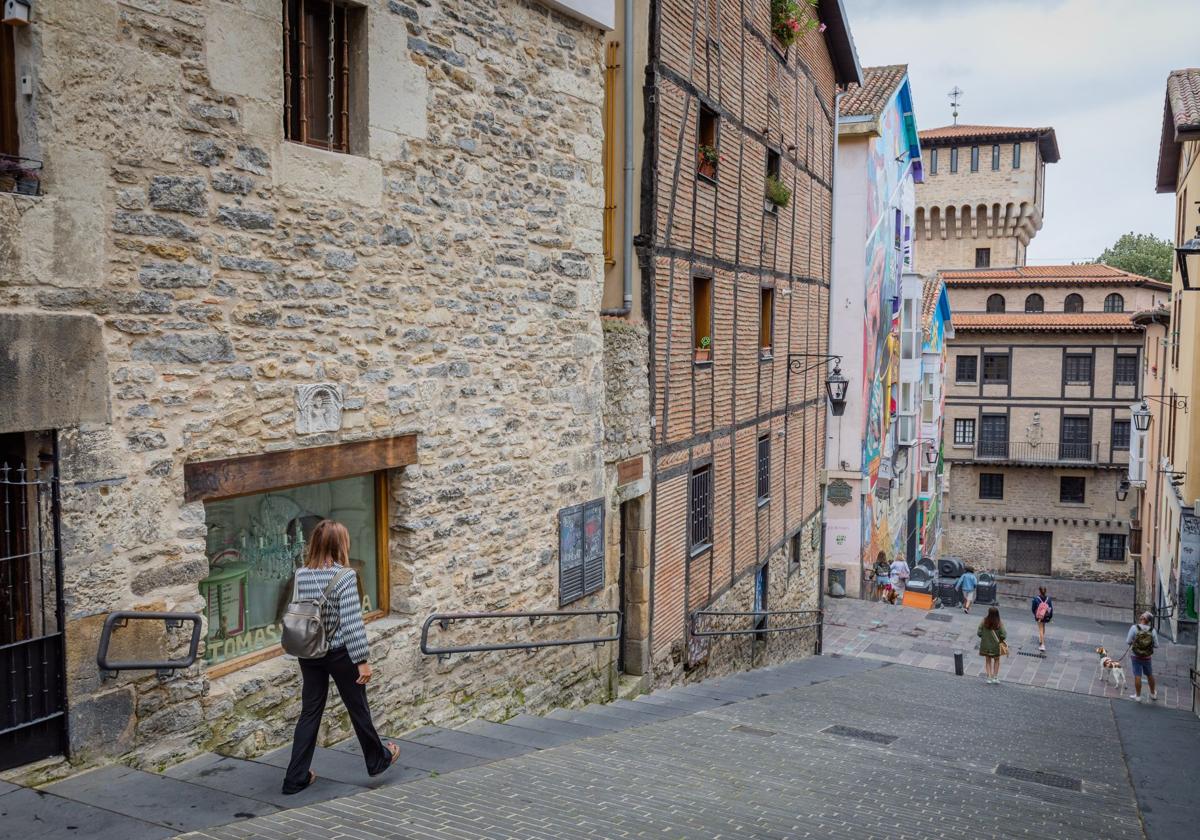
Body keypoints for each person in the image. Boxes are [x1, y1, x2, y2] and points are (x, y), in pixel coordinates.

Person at [282, 520, 399, 794]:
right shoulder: (345, 576)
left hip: (309, 651)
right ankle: (377, 759)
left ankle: (295, 777)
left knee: (310, 711)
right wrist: (362, 660)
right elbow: (351, 623)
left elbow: (298, 612)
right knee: (358, 707)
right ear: (339, 545)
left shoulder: (300, 574)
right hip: (339, 653)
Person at [1125, 611, 1159, 702]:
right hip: (1147, 657)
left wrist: (1134, 642)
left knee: (1137, 675)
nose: (1141, 615)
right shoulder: (1152, 630)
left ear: (1143, 618)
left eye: (1143, 614)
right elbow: (1156, 645)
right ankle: (1153, 694)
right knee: (1149, 675)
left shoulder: (1134, 628)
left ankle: (1138, 696)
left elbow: (1128, 641)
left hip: (1135, 656)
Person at [977, 606, 1006, 684]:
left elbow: (979, 633)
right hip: (996, 646)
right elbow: (1003, 635)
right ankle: (995, 677)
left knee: (988, 661)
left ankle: (989, 677)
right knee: (997, 660)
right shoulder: (999, 623)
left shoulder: (984, 621)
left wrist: (985, 637)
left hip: (986, 645)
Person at [1031, 586, 1053, 652]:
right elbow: (1050, 608)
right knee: (1043, 627)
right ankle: (1041, 639)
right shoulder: (1048, 599)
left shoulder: (1036, 599)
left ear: (1039, 591)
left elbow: (1033, 608)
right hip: (1046, 616)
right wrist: (1050, 616)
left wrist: (1035, 614)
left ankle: (1042, 645)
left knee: (1040, 629)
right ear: (1045, 591)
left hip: (1039, 617)